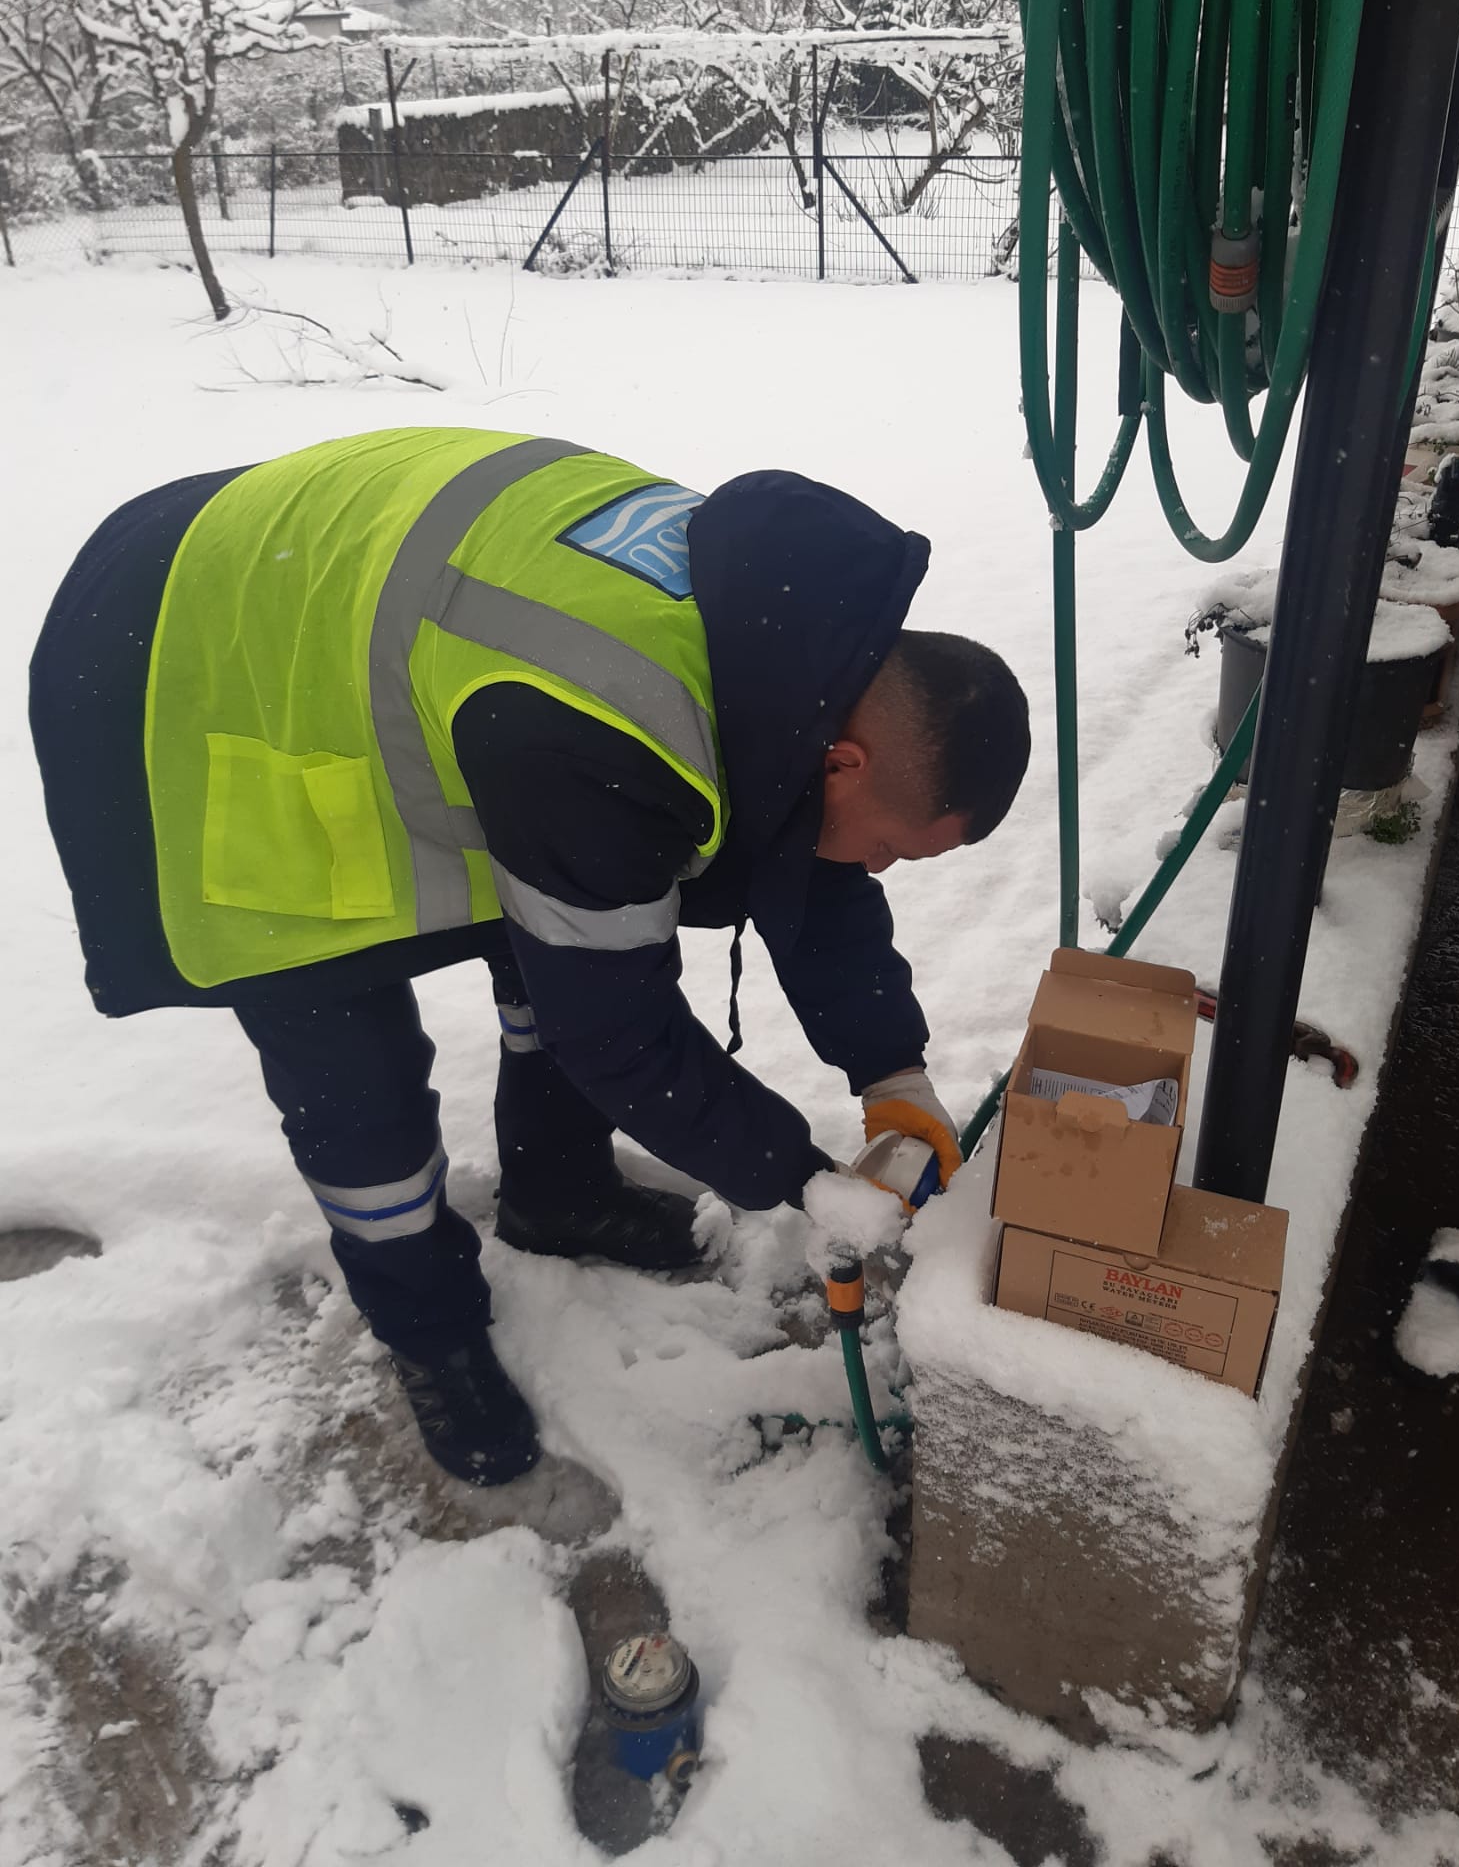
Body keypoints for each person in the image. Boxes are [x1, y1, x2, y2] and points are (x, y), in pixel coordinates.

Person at [30, 427, 1030, 1485]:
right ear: (846, 758)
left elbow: (812, 864)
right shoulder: (608, 725)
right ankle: (428, 1326)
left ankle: (556, 1191)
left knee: (564, 930)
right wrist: (797, 1174)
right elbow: (618, 1031)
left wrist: (891, 1069)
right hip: (193, 656)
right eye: (889, 844)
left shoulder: (792, 642)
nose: (874, 864)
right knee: (344, 1049)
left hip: (352, 597)